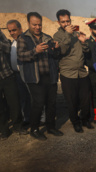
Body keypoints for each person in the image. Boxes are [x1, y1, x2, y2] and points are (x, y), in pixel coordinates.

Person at [17, 12, 62, 140]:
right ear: (28, 24)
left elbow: (56, 56)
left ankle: (51, 127)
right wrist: (35, 51)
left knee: (51, 103)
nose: (37, 27)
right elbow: (21, 56)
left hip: (50, 75)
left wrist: (56, 49)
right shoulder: (23, 38)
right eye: (34, 24)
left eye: (39, 25)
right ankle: (34, 129)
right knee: (38, 103)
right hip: (34, 77)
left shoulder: (47, 37)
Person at [54, 9, 93, 133]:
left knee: (86, 99)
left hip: (81, 72)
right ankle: (75, 122)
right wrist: (67, 34)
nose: (66, 23)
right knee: (71, 101)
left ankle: (85, 120)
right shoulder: (57, 36)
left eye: (68, 21)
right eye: (63, 21)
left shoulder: (76, 34)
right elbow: (62, 50)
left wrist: (84, 42)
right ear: (59, 22)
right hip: (67, 74)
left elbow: (86, 51)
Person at [0, 27, 27, 140]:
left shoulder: (0, 35)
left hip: (7, 74)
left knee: (14, 102)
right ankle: (4, 130)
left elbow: (8, 48)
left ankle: (18, 126)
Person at [7, 20, 31, 126]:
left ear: (20, 29)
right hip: (16, 75)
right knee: (22, 97)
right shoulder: (12, 43)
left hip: (27, 72)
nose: (12, 33)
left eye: (14, 30)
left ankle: (39, 119)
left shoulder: (26, 40)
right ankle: (26, 119)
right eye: (10, 31)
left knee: (32, 96)